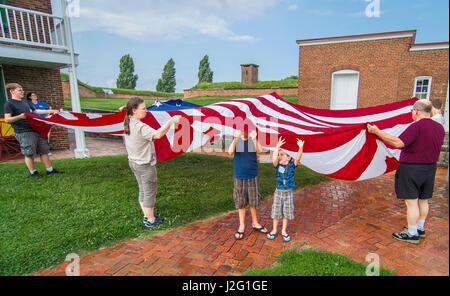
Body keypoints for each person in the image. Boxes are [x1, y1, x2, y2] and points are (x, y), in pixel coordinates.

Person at [367, 99, 445, 244]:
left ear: (416, 111)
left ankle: (412, 233)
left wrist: (377, 132)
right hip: (430, 168)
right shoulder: (439, 128)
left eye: (412, 111)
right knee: (424, 200)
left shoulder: (417, 127)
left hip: (412, 168)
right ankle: (420, 228)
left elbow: (398, 143)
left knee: (411, 202)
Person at [123, 97, 181, 228]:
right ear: (134, 110)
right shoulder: (140, 126)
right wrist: (171, 121)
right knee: (149, 192)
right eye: (143, 109)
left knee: (143, 190)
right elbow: (158, 135)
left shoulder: (128, 120)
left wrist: (123, 108)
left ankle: (147, 215)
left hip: (133, 162)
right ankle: (151, 220)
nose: (146, 111)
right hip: (144, 165)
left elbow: (158, 135)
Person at [4, 83, 63, 177]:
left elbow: (36, 112)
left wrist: (53, 111)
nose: (22, 91)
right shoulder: (9, 103)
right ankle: (33, 172)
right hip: (23, 131)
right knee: (29, 152)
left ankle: (50, 170)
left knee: (44, 150)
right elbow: (7, 119)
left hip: (35, 129)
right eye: (19, 90)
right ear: (12, 91)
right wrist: (20, 116)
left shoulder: (24, 102)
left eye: (22, 89)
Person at [228, 128, 268, 240]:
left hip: (253, 174)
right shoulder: (235, 137)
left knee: (253, 200)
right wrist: (235, 138)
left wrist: (255, 139)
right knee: (241, 200)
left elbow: (260, 151)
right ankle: (242, 225)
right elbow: (230, 152)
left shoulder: (252, 138)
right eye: (243, 130)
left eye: (247, 130)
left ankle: (255, 223)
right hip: (239, 175)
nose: (245, 132)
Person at [267, 137, 304, 243]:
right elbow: (274, 158)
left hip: (288, 193)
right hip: (278, 192)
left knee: (286, 212)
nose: (279, 156)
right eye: (279, 154)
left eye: (282, 155)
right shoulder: (277, 166)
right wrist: (277, 147)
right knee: (276, 211)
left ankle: (283, 231)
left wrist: (300, 147)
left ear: (289, 158)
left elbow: (298, 158)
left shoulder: (292, 166)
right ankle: (274, 229)